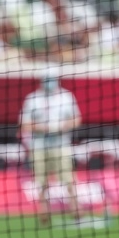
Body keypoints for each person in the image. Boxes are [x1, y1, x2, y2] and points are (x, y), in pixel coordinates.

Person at [19, 69, 82, 227]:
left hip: (61, 144)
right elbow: (24, 124)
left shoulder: (66, 97)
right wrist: (44, 128)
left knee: (68, 178)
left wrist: (61, 126)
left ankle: (75, 209)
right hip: (39, 146)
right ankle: (44, 211)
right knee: (41, 181)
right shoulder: (33, 99)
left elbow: (76, 119)